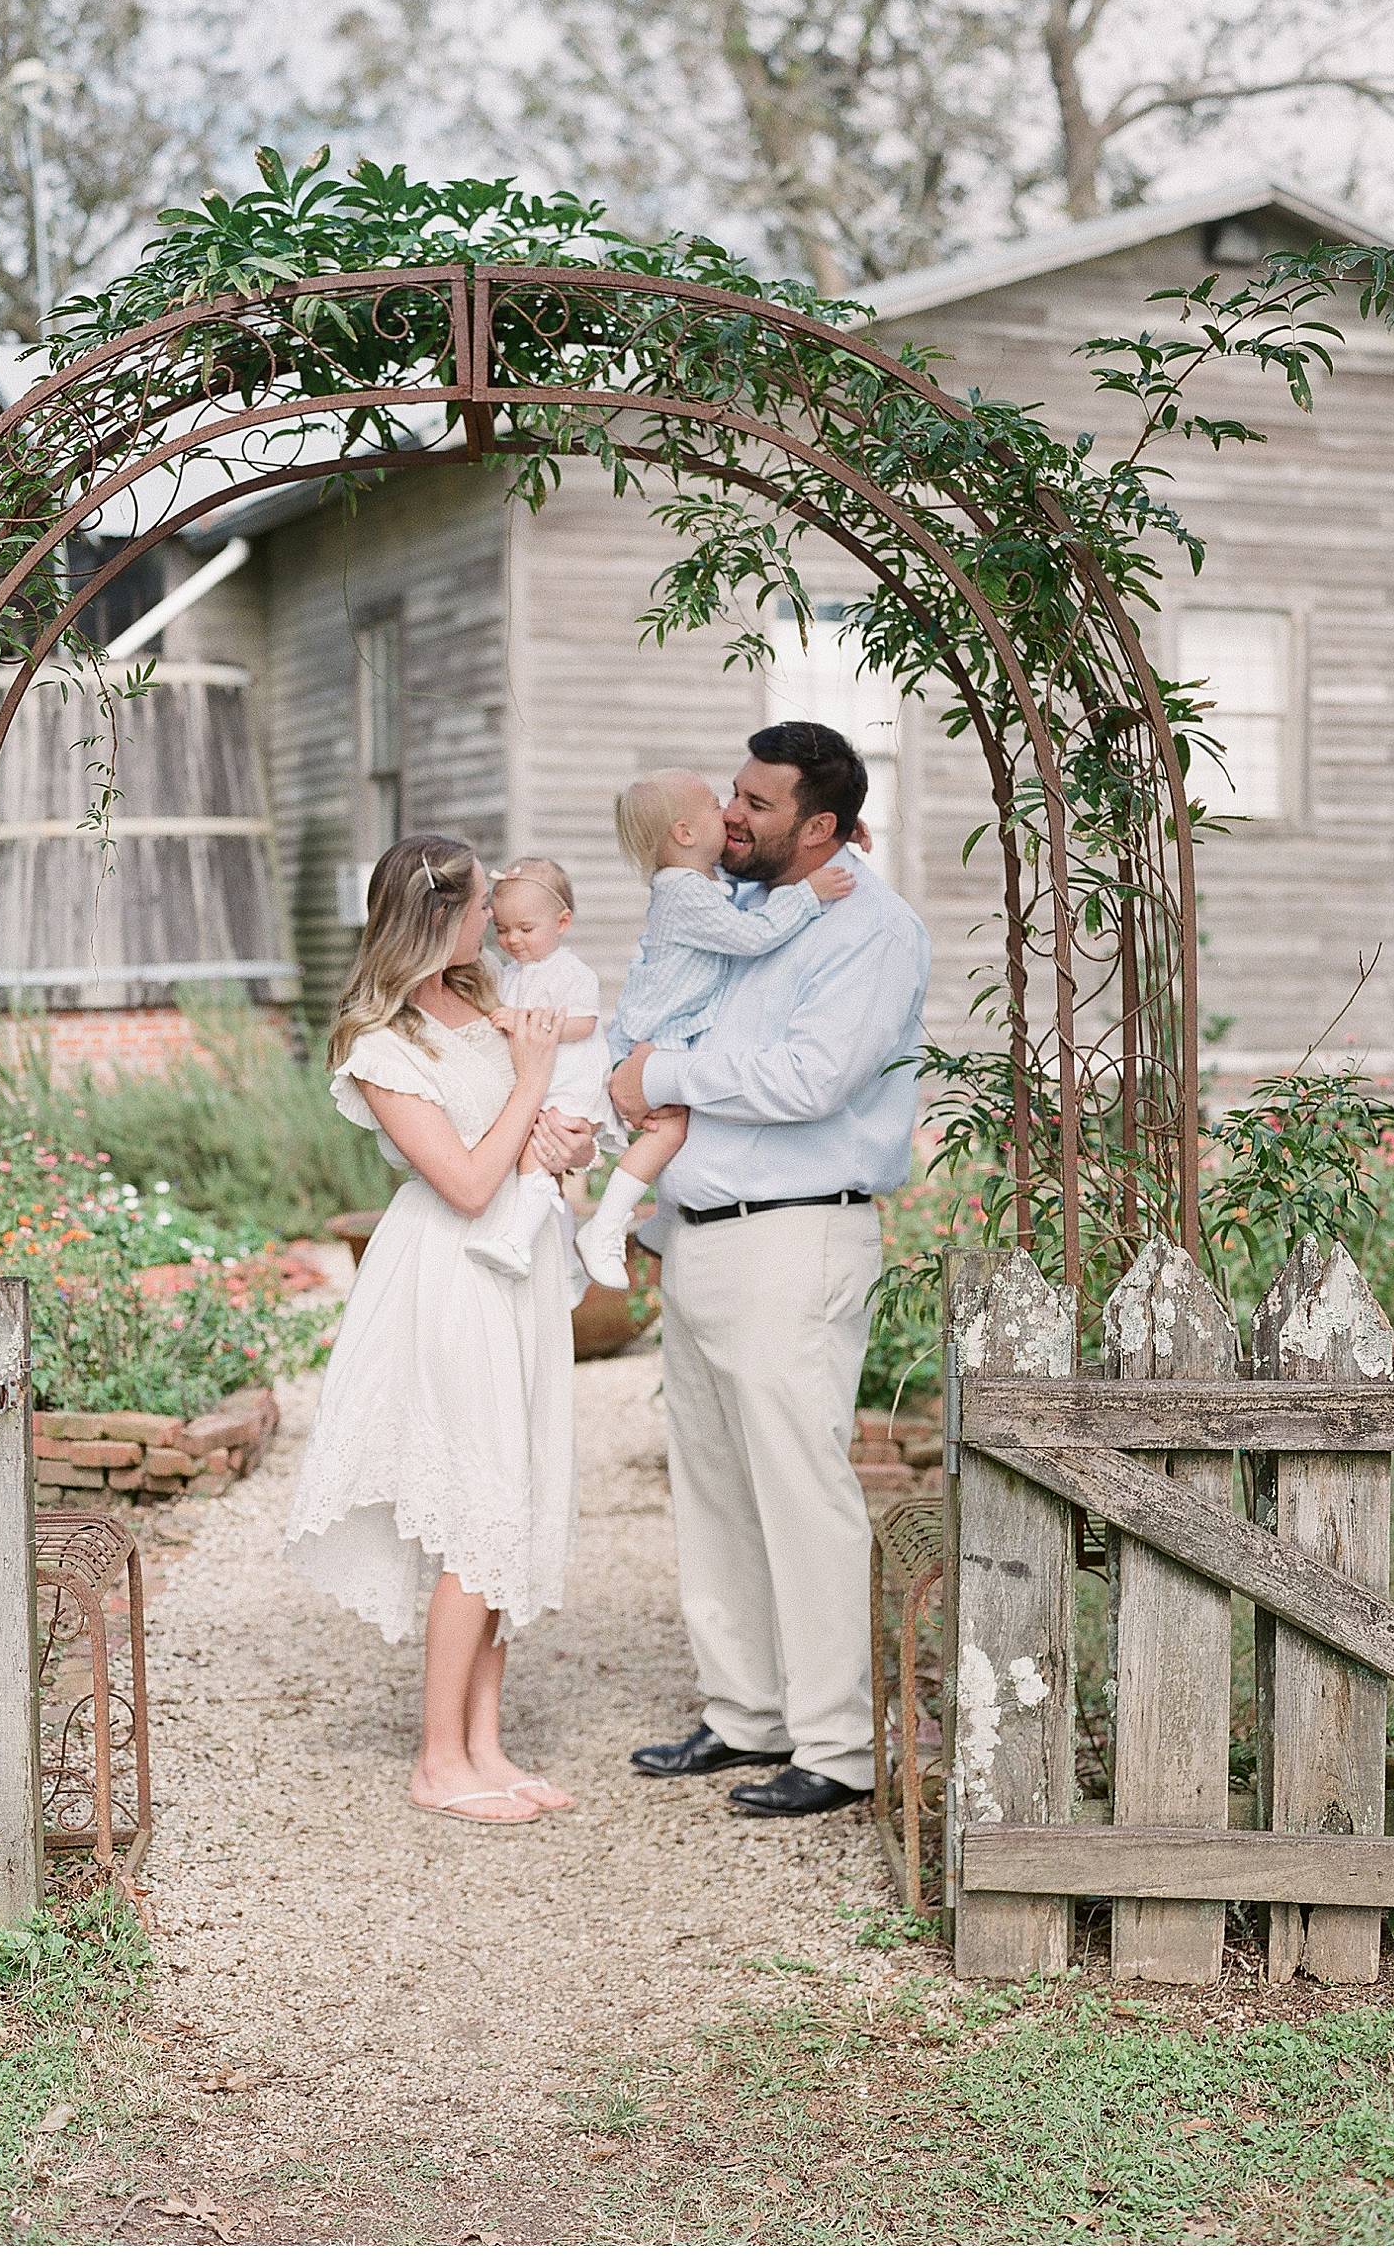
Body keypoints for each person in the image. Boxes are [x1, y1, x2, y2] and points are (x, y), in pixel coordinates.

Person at [608, 723, 930, 1818]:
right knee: (715, 1485)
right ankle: (747, 1710)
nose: (731, 815)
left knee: (801, 1488)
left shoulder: (873, 930)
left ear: (823, 826)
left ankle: (839, 1744)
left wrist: (659, 1069)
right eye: (733, 795)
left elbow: (812, 1077)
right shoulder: (735, 906)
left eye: (756, 803)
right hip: (702, 1232)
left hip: (798, 1236)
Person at [284, 834, 597, 1825]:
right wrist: (532, 1083)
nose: (492, 919)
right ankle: (436, 1759)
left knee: (512, 1495)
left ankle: (485, 1743)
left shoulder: (483, 1001)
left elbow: (521, 1138)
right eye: (476, 908)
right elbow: (462, 1180)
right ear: (436, 914)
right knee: (474, 1507)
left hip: (522, 1265)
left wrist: (565, 1133)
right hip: (452, 1276)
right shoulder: (381, 1044)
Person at [574, 770, 855, 1290]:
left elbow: (755, 878)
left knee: (684, 1124)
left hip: (671, 1032)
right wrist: (809, 894)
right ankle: (606, 1227)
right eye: (713, 804)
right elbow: (754, 934)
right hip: (655, 1038)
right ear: (684, 833)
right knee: (670, 1131)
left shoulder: (699, 885)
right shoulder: (683, 894)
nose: (727, 811)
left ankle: (650, 1228)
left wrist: (833, 837)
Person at [466, 856, 618, 1281]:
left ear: (562, 922)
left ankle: (517, 1241)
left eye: (525, 929)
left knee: (537, 1156)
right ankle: (569, 1264)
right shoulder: (511, 974)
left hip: (568, 1083)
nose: (512, 939)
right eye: (502, 929)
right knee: (539, 1172)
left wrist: (524, 1022)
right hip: (539, 1083)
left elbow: (584, 1023)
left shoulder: (571, 972)